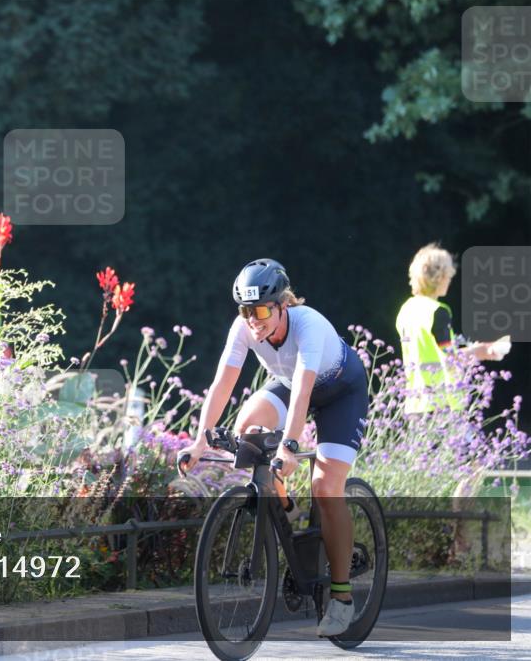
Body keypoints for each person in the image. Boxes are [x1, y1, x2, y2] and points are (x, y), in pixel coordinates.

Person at [178, 258, 368, 637]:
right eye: (246, 310)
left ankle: (342, 597)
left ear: (283, 305)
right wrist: (200, 440)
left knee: (325, 488)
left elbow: (303, 394)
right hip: (289, 383)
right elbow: (223, 382)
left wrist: (289, 447)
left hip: (339, 392)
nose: (254, 320)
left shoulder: (308, 325)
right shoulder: (244, 327)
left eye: (262, 310)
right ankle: (284, 506)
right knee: (246, 430)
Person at [396, 244, 507, 415]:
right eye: (448, 275)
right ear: (439, 277)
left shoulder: (406, 310)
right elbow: (451, 358)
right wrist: (481, 351)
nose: (450, 279)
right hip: (442, 404)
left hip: (415, 404)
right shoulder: (438, 311)